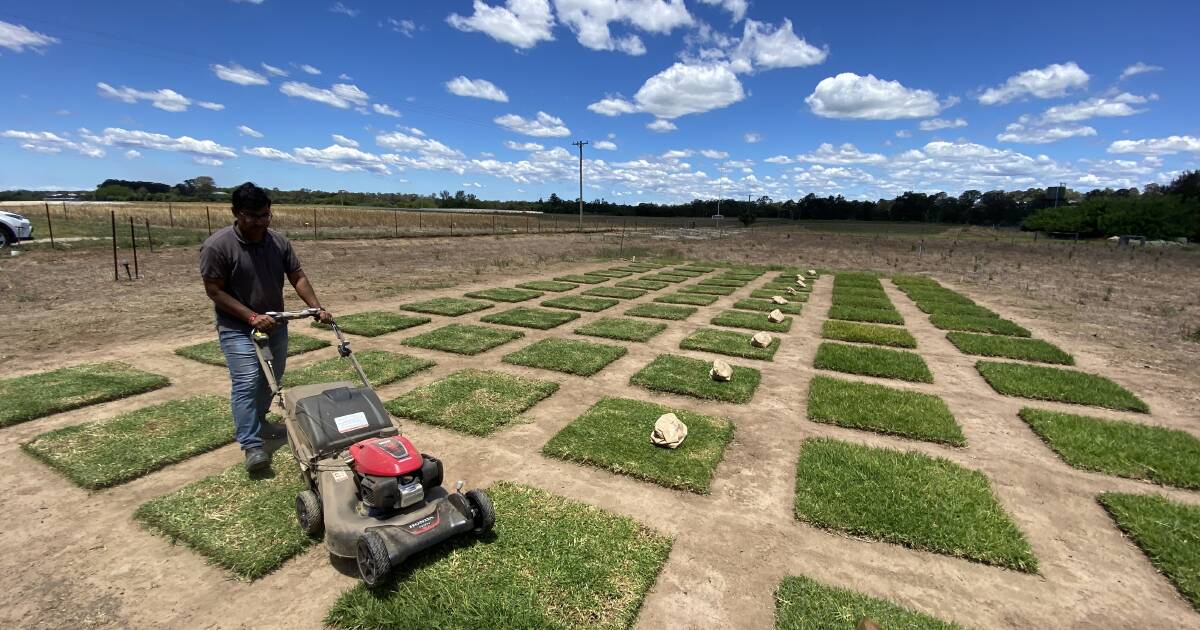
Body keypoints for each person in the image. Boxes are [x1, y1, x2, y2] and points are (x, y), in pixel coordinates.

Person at [199, 182, 333, 471]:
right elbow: (214, 291)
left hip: (275, 324)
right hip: (237, 327)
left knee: (271, 379)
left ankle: (260, 422)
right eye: (253, 216)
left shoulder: (277, 242)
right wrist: (250, 317)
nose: (260, 222)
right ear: (236, 212)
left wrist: (317, 307)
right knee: (247, 381)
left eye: (265, 215)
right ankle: (251, 444)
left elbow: (297, 276)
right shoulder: (217, 246)